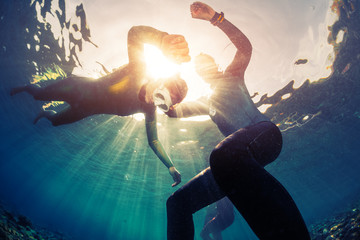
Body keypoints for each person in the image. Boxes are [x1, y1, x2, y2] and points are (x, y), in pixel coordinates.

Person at [166, 2, 311, 239]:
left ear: (216, 64)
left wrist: (214, 17)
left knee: (222, 155)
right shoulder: (205, 102)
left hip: (266, 134)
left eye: (207, 63)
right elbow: (172, 111)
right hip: (235, 158)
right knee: (177, 202)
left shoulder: (233, 74)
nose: (204, 68)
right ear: (198, 75)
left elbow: (244, 46)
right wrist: (160, 95)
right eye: (199, 68)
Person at [11, 25, 190, 187]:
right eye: (161, 95)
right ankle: (27, 88)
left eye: (163, 105)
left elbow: (154, 140)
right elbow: (134, 33)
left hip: (83, 111)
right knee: (38, 95)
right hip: (75, 88)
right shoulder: (139, 68)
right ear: (161, 80)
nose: (155, 103)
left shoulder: (148, 109)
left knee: (54, 121)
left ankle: (44, 114)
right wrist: (162, 39)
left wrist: (171, 166)